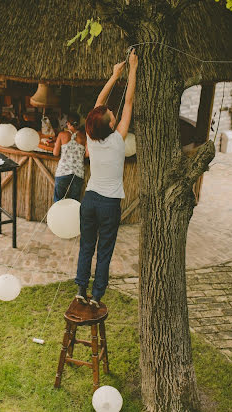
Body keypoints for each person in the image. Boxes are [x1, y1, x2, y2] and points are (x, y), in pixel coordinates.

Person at [75, 50, 138, 308]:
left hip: (89, 201)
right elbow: (130, 102)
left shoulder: (92, 135)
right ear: (112, 124)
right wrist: (132, 69)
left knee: (86, 247)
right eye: (111, 114)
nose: (113, 112)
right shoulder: (118, 139)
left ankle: (81, 288)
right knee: (104, 252)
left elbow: (99, 102)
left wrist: (114, 76)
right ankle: (97, 295)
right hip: (109, 204)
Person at [53, 112, 88, 202]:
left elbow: (55, 153)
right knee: (74, 202)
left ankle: (58, 216)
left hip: (63, 171)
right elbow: (87, 154)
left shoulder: (62, 135)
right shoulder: (84, 137)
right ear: (79, 124)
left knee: (59, 200)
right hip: (78, 173)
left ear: (68, 123)